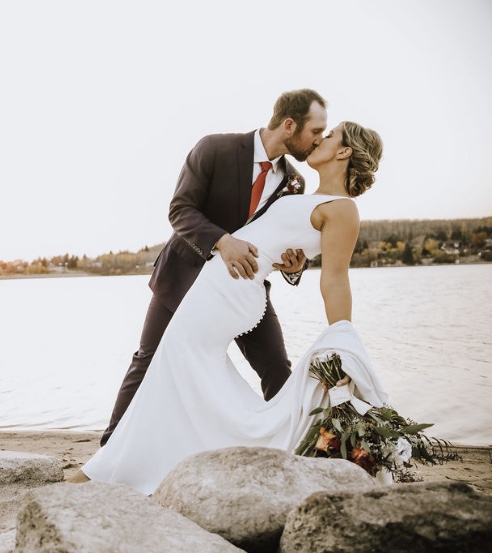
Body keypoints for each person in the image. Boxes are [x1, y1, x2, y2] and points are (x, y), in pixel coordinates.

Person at [72, 121, 386, 495]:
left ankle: (104, 472)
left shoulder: (342, 209)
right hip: (218, 284)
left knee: (173, 370)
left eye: (329, 135)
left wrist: (343, 341)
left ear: (344, 152)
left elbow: (334, 278)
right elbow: (277, 238)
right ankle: (137, 463)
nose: (319, 139)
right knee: (179, 374)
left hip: (230, 293)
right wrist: (294, 260)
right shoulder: (298, 194)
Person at [100, 89, 328, 447]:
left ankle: (296, 448)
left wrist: (293, 266)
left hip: (245, 290)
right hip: (184, 278)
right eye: (315, 131)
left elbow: (283, 244)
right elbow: (180, 210)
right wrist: (224, 241)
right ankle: (109, 449)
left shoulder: (295, 183)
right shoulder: (215, 148)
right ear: (289, 125)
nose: (319, 140)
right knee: (148, 359)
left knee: (276, 368)